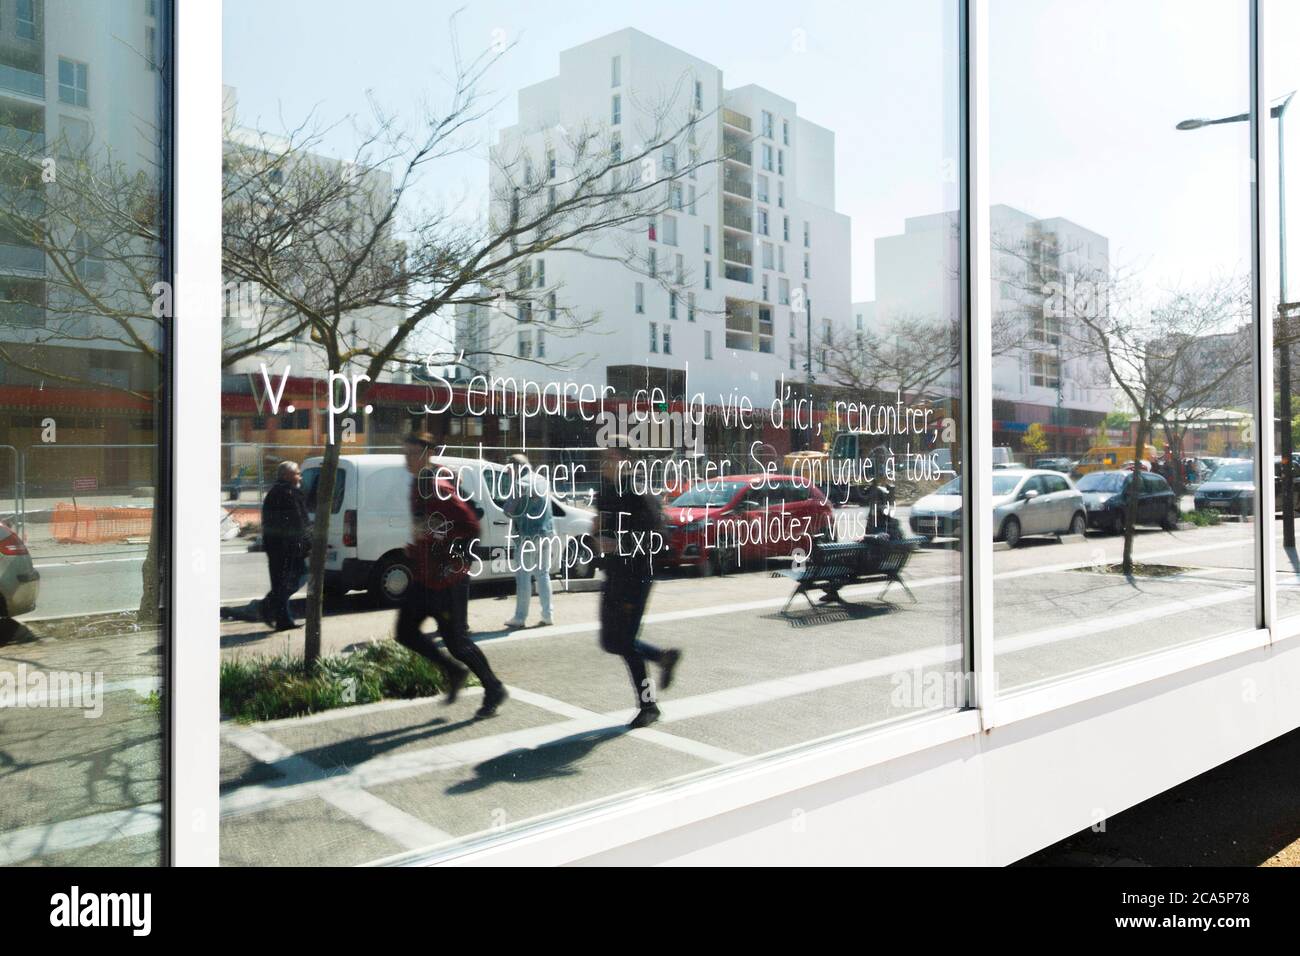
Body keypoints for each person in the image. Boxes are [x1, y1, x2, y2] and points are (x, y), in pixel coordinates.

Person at [396, 432, 507, 719]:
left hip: (448, 579)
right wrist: (417, 545)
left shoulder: (437, 484)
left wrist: (436, 541)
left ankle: (493, 688)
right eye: (404, 452)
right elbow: (427, 524)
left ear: (426, 454)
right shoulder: (417, 484)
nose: (405, 459)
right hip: (425, 575)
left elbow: (471, 525)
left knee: (457, 643)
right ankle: (454, 672)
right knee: (405, 632)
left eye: (411, 453)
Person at [594, 438, 681, 729]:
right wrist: (594, 537)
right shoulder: (606, 489)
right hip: (614, 575)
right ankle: (662, 658)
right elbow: (599, 525)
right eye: (603, 458)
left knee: (624, 642)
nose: (604, 463)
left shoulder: (638, 492)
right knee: (610, 641)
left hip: (635, 578)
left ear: (625, 459)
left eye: (610, 458)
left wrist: (617, 544)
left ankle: (649, 705)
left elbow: (659, 540)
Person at [503, 453, 555, 628]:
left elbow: (508, 510)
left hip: (526, 536)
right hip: (546, 533)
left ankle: (520, 617)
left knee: (523, 576)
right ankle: (547, 615)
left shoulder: (519, 484)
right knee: (543, 574)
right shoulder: (542, 480)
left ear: (515, 468)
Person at [260, 460, 309, 631]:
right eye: (297, 473)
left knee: (283, 582)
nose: (299, 476)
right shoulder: (287, 493)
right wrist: (307, 544)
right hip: (287, 548)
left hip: (278, 547)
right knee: (299, 575)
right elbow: (298, 523)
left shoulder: (279, 492)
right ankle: (270, 605)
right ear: (286, 475)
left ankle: (282, 619)